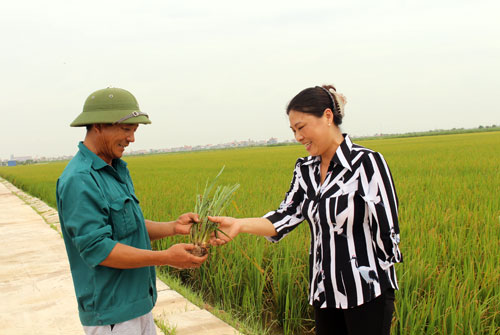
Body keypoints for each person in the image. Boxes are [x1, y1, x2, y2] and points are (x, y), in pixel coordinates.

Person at [210, 85, 402, 335]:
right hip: (324, 293)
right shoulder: (305, 170)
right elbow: (285, 216)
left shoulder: (366, 163)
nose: (298, 137)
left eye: (301, 128)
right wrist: (238, 224)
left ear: (328, 117)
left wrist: (380, 283)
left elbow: (388, 229)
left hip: (366, 293)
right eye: (293, 130)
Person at [57, 87, 208, 335]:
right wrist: (166, 258)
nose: (132, 139)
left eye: (134, 131)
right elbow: (99, 250)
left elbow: (129, 226)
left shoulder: (115, 168)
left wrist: (173, 227)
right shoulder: (80, 179)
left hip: (138, 304)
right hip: (112, 314)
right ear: (98, 125)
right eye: (126, 130)